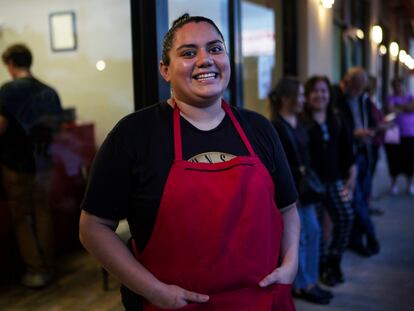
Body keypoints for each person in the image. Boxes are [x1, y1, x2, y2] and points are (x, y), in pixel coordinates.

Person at [79, 14, 300, 310]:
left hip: (259, 300)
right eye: (188, 53)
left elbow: (287, 209)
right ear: (165, 70)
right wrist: (154, 290)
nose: (205, 59)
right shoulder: (133, 135)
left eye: (215, 48)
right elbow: (93, 227)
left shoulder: (259, 128)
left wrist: (291, 262)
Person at [0, 44, 63, 287]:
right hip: (44, 163)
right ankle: (49, 264)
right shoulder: (49, 91)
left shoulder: (7, 91)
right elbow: (57, 129)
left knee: (21, 218)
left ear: (11, 64)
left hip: (16, 164)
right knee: (43, 213)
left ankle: (36, 271)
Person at [270, 77, 333, 304]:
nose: (303, 99)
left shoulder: (299, 121)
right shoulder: (277, 126)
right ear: (286, 98)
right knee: (303, 237)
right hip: (292, 194)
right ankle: (303, 284)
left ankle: (310, 281)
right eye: (299, 95)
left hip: (306, 191)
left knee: (312, 233)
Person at [302, 75, 356, 286]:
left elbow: (347, 150)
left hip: (335, 181)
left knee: (346, 217)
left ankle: (333, 261)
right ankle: (324, 267)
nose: (320, 95)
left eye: (323, 91)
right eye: (315, 91)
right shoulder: (302, 121)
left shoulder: (337, 118)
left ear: (329, 94)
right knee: (316, 228)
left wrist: (351, 175)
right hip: (311, 186)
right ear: (307, 96)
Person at [332, 67, 380, 257]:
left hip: (364, 152)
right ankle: (370, 235)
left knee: (363, 199)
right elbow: (339, 131)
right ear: (347, 82)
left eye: (361, 88)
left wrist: (372, 131)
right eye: (355, 87)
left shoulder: (364, 100)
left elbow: (370, 122)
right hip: (348, 156)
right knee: (356, 200)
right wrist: (354, 134)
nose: (358, 91)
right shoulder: (338, 100)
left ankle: (357, 238)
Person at [385, 77, 414, 196]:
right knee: (394, 159)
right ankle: (394, 184)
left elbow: (411, 107)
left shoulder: (410, 97)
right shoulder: (390, 98)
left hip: (410, 133)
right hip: (393, 133)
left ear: (403, 85)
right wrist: (404, 107)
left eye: (400, 85)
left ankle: (410, 184)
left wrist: (399, 106)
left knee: (410, 160)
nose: (398, 87)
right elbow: (391, 110)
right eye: (395, 85)